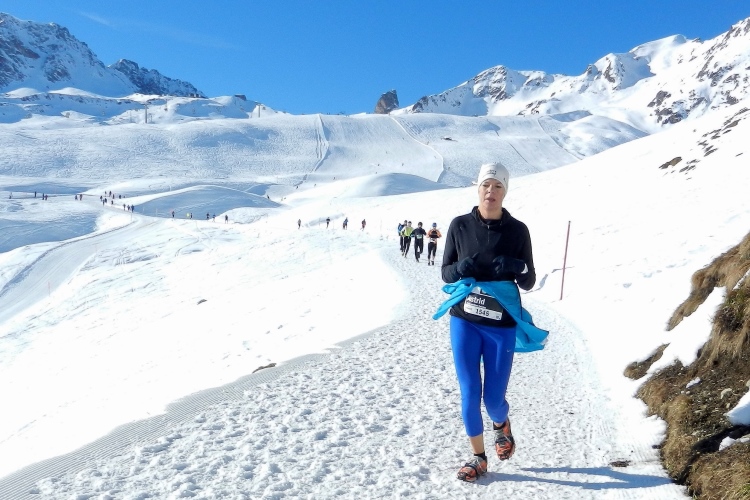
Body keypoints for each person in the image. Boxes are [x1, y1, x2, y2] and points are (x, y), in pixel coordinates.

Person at [439, 162, 538, 482]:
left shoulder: (518, 231)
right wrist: (460, 269)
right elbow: (446, 272)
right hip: (464, 321)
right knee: (470, 391)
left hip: (500, 326)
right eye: (485, 185)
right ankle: (479, 457)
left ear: (505, 191)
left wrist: (516, 266)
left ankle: (501, 424)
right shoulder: (460, 225)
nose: (490, 192)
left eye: (497, 186)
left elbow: (529, 280)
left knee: (493, 399)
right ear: (478, 188)